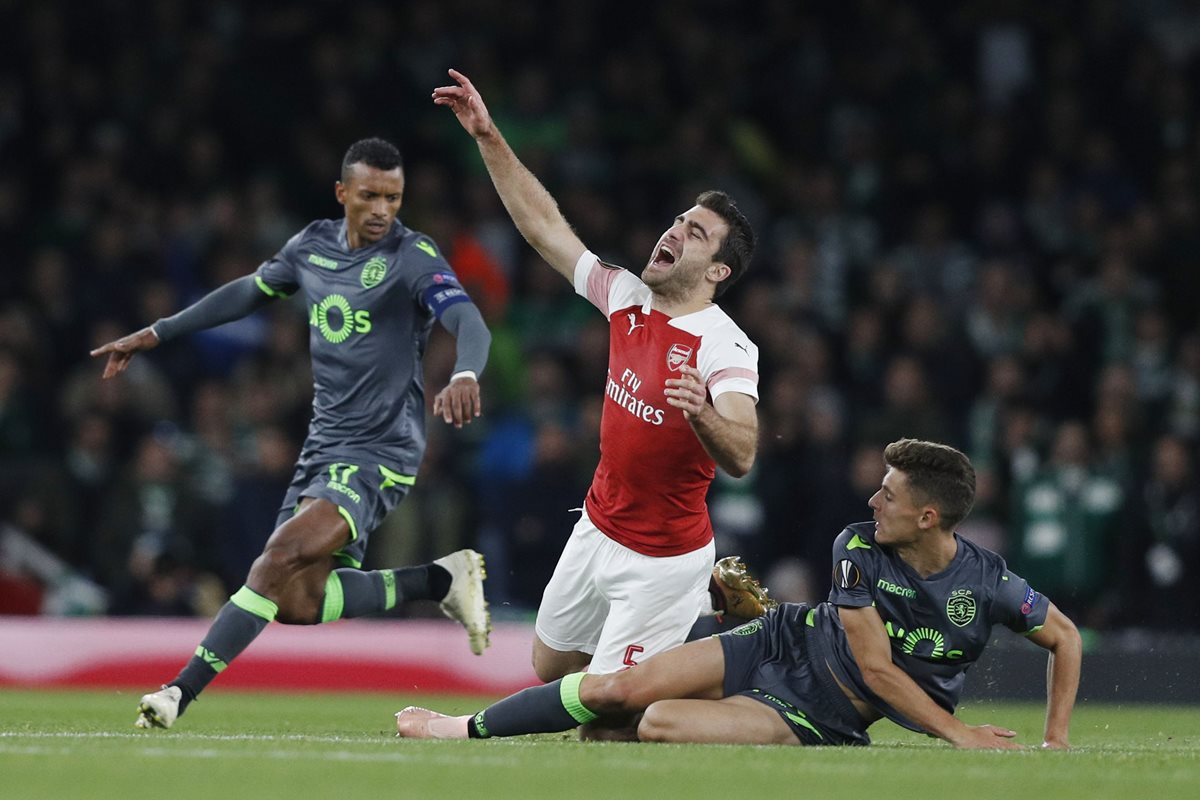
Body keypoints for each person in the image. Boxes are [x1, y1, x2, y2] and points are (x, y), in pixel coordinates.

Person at [92, 138, 493, 729]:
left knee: (276, 558)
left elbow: (467, 319)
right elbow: (247, 293)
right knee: (300, 603)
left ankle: (179, 692)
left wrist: (464, 370)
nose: (383, 209)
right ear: (342, 194)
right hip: (323, 448)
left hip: (381, 450)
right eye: (369, 196)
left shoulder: (413, 255)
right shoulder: (311, 246)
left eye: (394, 196)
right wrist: (159, 331)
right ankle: (441, 578)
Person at [397, 439, 1082, 749]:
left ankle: (706, 633)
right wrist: (960, 734)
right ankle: (458, 730)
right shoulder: (857, 547)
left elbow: (1065, 638)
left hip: (817, 713)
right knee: (609, 690)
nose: (873, 498)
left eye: (890, 494)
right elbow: (876, 665)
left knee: (642, 723)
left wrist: (1055, 742)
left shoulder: (988, 581)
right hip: (780, 639)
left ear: (929, 518)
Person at [432, 69, 773, 688]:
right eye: (678, 220)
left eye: (694, 233)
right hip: (598, 523)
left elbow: (744, 451)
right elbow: (544, 227)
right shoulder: (627, 297)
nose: (673, 231)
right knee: (549, 667)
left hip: (664, 556)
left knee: (604, 717)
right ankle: (696, 620)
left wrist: (703, 412)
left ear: (718, 270)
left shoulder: (725, 346)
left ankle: (705, 635)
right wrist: (488, 136)